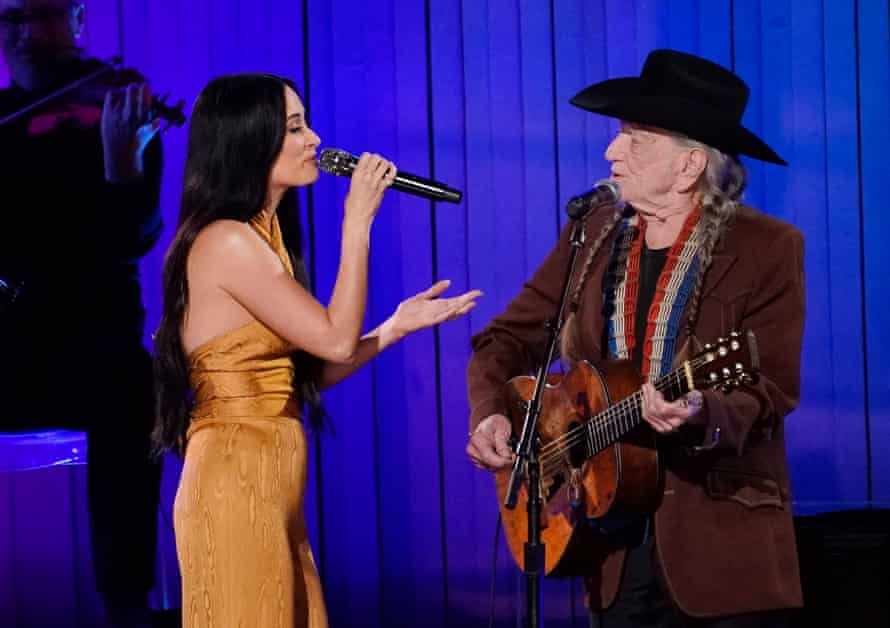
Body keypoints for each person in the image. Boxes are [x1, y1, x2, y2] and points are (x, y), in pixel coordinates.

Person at [466, 49, 804, 627]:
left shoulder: (766, 247)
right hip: (611, 545)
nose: (610, 153)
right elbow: (505, 338)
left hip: (719, 547)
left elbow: (770, 389)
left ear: (690, 164)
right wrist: (491, 412)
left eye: (634, 139)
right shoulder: (592, 231)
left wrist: (702, 409)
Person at [152, 72, 481, 628]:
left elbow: (300, 373)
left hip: (269, 478)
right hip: (234, 480)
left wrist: (394, 328)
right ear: (250, 140)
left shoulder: (263, 238)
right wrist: (357, 222)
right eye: (297, 128)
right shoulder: (227, 240)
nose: (316, 141)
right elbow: (332, 335)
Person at [0, 1, 163, 626]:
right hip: (9, 340)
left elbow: (136, 238)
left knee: (135, 391)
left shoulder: (119, 105)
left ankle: (126, 601)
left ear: (76, 22)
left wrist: (121, 168)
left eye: (39, 16)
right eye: (9, 19)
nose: (21, 34)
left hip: (91, 346)